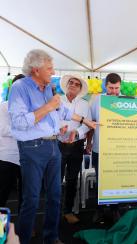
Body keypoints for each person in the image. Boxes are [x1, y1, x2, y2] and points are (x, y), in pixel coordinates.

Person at [8, 49, 97, 244]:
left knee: (55, 196)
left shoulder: (48, 88)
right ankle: (24, 239)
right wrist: (48, 107)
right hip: (32, 148)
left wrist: (85, 121)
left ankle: (51, 238)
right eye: (49, 68)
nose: (53, 71)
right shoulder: (20, 87)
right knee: (31, 199)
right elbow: (20, 122)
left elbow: (62, 110)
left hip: (53, 146)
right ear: (36, 69)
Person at [86, 73, 122, 223]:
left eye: (116, 88)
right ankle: (99, 210)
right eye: (111, 87)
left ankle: (115, 210)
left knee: (116, 181)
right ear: (105, 85)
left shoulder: (125, 100)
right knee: (100, 181)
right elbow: (91, 123)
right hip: (99, 149)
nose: (114, 91)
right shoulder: (98, 100)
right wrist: (88, 143)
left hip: (119, 150)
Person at [58, 74, 91, 224]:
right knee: (54, 180)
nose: (72, 85)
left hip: (76, 146)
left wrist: (76, 132)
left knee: (72, 180)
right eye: (71, 82)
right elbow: (51, 119)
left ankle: (68, 211)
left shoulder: (85, 104)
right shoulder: (57, 100)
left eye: (76, 84)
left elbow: (88, 124)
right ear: (67, 85)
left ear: (80, 88)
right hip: (57, 144)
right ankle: (54, 210)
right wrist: (59, 129)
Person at [0, 74, 24, 208]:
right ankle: (1, 228)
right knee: (2, 195)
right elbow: (3, 129)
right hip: (6, 158)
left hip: (25, 157)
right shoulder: (4, 106)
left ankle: (24, 227)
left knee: (25, 196)